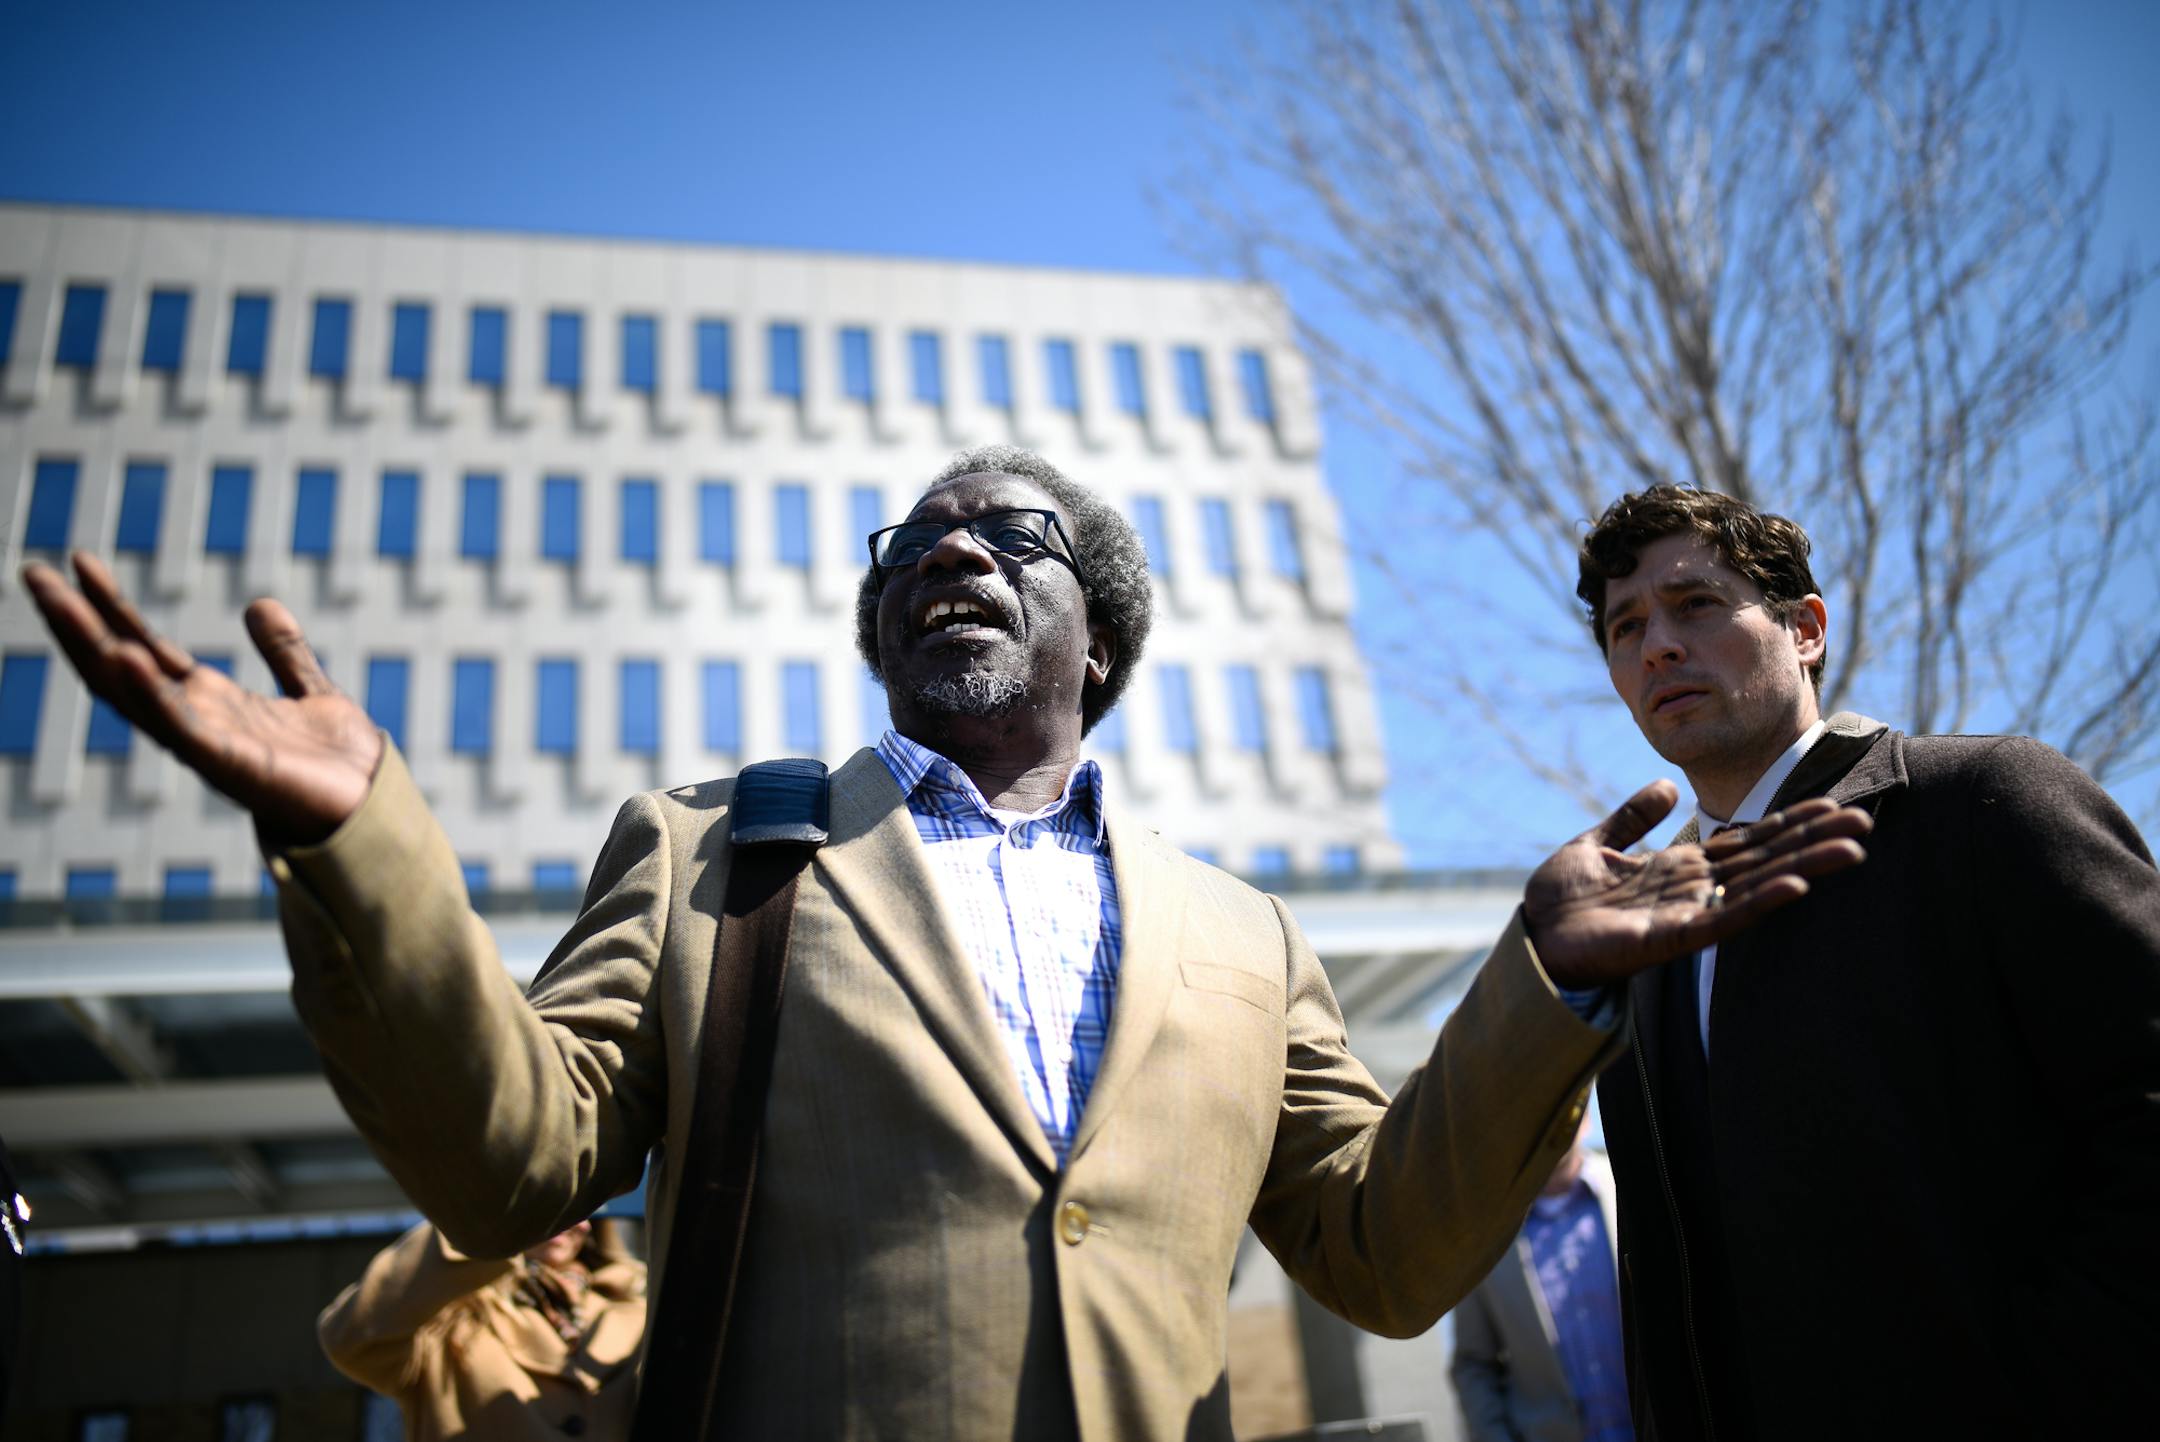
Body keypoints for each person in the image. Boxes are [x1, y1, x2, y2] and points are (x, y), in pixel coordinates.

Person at [22, 446, 1867, 1439]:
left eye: (1016, 533)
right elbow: (513, 1161)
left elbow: (1381, 1255)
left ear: (1103, 639)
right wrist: (359, 846)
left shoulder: (1241, 929)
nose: (955, 548)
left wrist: (1539, 980)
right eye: (920, 535)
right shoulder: (710, 854)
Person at [1577, 485, 2160, 1440]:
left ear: (1805, 628)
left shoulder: (1985, 804)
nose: (1658, 647)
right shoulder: (1645, 943)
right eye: (1625, 627)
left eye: (1697, 605)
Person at [320, 1217, 647, 1440]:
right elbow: (352, 1338)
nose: (562, 1217)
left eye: (578, 1203)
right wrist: (486, 1219)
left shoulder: (641, 1312)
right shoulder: (447, 1319)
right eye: (549, 1200)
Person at [1449, 1125, 1629, 1442]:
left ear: (1585, 1112)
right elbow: (1474, 1363)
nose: (1550, 1115)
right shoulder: (1484, 1234)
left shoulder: (1634, 1188)